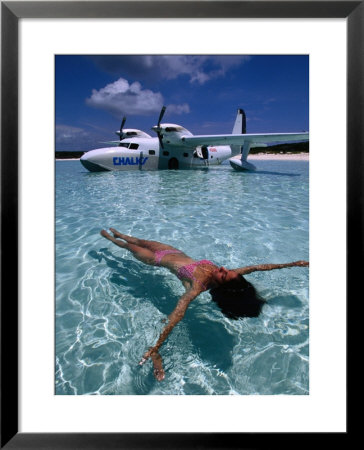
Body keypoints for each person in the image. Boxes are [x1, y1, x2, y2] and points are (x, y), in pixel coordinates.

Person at [100, 228, 309, 381]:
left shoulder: (197, 287)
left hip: (157, 260)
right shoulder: (229, 277)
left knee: (130, 247)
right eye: (227, 270)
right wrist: (291, 264)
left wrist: (156, 348)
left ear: (221, 285)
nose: (224, 268)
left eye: (224, 274)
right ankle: (119, 233)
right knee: (139, 239)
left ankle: (109, 240)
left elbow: (176, 316)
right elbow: (258, 268)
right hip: (174, 251)